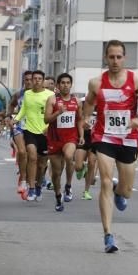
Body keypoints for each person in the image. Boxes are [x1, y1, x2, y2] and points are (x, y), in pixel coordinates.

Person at [82, 40, 138, 253]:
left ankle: (119, 190)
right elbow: (88, 102)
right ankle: (108, 235)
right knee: (105, 181)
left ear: (124, 58)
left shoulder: (135, 81)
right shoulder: (96, 83)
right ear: (106, 58)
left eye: (119, 57)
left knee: (126, 192)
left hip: (128, 139)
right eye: (111, 57)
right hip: (104, 137)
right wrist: (86, 118)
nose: (115, 61)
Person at [43, 73, 83, 212]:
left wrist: (82, 135)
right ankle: (58, 196)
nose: (65, 85)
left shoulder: (77, 101)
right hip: (54, 139)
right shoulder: (52, 100)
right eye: (63, 83)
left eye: (68, 83)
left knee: (68, 156)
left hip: (70, 138)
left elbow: (79, 120)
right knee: (56, 173)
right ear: (58, 86)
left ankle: (68, 186)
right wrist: (58, 113)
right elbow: (46, 120)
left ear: (71, 85)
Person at [13, 71, 54, 202]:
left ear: (43, 81)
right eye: (34, 78)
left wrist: (49, 127)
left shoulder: (50, 95)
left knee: (42, 165)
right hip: (29, 131)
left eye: (39, 79)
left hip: (45, 132)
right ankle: (31, 188)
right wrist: (16, 119)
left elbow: (54, 113)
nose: (36, 81)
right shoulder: (27, 94)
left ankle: (38, 186)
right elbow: (23, 110)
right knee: (32, 157)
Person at [8, 71, 33, 196]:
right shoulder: (18, 94)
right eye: (26, 79)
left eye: (31, 79)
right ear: (23, 80)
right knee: (22, 152)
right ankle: (23, 180)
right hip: (20, 126)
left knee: (32, 156)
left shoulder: (40, 94)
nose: (28, 82)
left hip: (34, 127)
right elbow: (11, 105)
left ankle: (28, 180)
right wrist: (9, 116)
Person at [74, 111, 98, 200]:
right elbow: (78, 121)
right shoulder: (85, 105)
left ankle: (86, 192)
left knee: (92, 164)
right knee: (78, 167)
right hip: (83, 137)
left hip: (95, 139)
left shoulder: (102, 104)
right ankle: (82, 168)